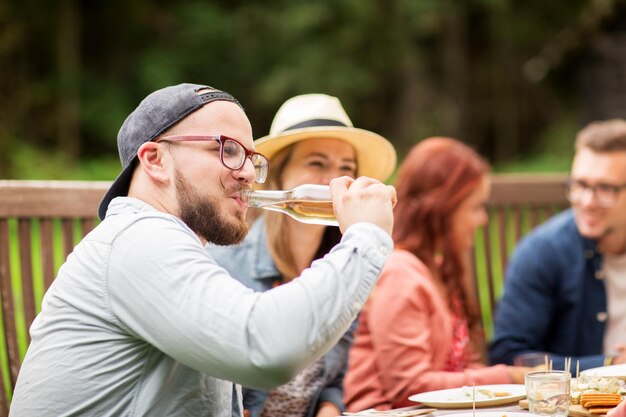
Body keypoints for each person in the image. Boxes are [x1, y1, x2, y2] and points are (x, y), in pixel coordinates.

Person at [8, 83, 397, 417]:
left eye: (250, 157)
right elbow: (264, 347)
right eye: (227, 150)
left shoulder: (173, 248)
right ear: (155, 160)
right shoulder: (139, 239)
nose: (246, 172)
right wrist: (365, 237)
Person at [207, 93, 397, 417]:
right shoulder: (226, 264)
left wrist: (329, 409)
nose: (335, 182)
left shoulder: (348, 259)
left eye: (346, 169)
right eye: (317, 163)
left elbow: (333, 382)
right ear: (280, 175)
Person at [344, 137, 530, 413]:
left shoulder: (438, 271)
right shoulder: (399, 273)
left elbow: (459, 367)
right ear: (443, 208)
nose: (483, 220)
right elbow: (410, 388)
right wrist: (508, 377)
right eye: (476, 207)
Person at [489, 119, 626, 372]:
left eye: (605, 189)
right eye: (580, 185)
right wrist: (610, 364)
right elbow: (509, 357)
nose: (587, 202)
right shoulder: (541, 252)